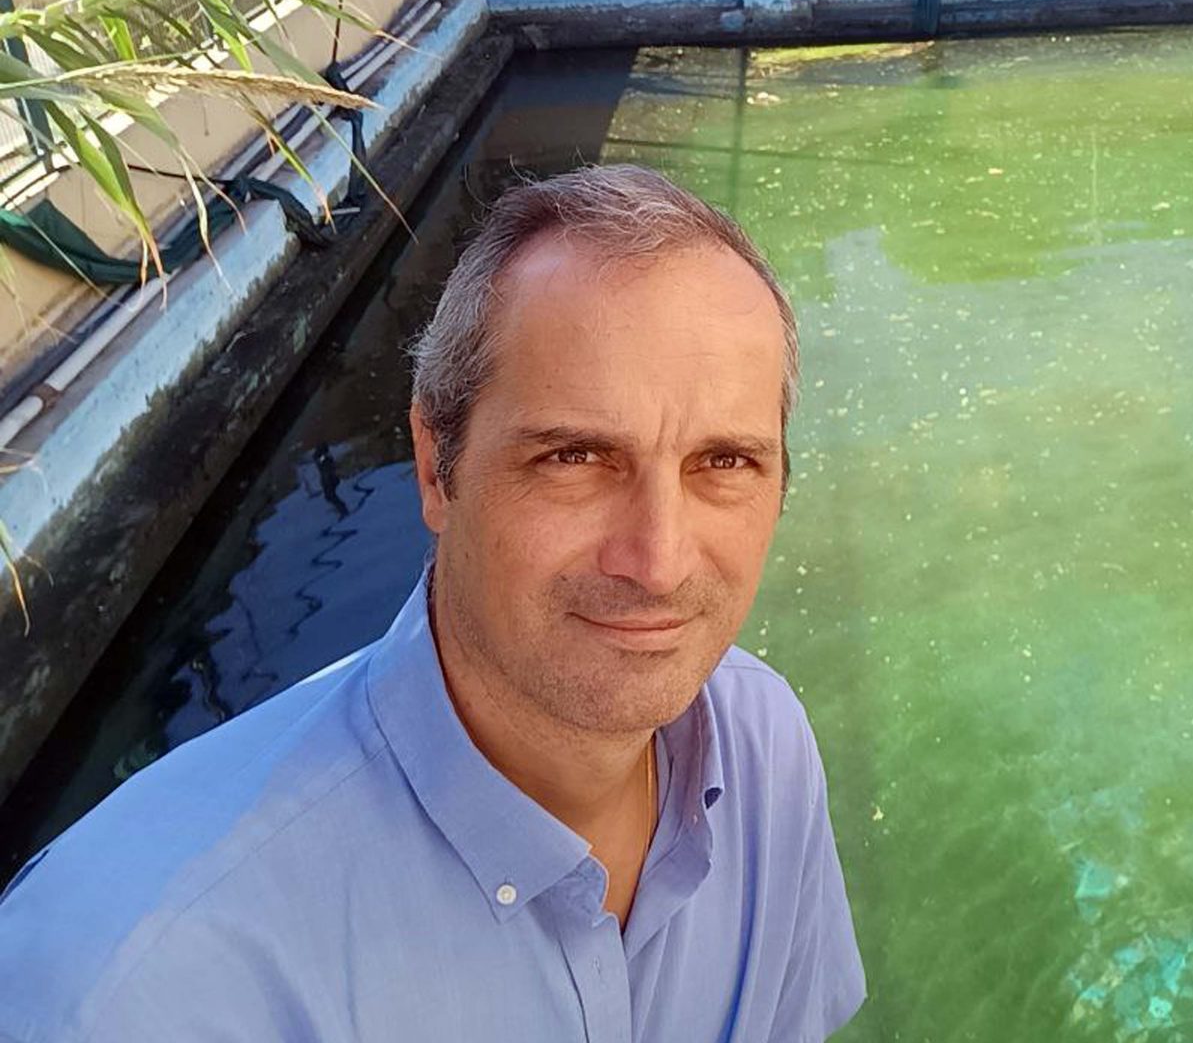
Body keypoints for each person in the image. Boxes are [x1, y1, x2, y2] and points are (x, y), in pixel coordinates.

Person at [0, 165, 865, 1042]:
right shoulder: (133, 992)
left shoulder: (766, 749)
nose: (658, 561)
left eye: (725, 462)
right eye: (573, 458)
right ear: (434, 467)